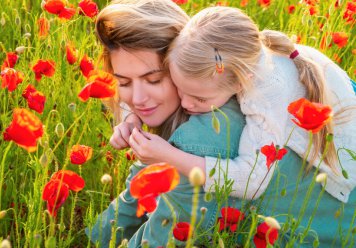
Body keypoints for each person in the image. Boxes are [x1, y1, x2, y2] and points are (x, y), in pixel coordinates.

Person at [127, 6, 356, 247]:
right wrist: (134, 117)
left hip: (344, 190)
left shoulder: (266, 96)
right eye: (179, 90)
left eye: (200, 99)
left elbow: (252, 181)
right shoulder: (241, 57)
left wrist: (170, 156)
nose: (184, 103)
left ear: (240, 81)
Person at [86, 1, 248, 247]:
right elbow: (134, 200)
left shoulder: (198, 142)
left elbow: (162, 239)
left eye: (153, 80)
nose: (138, 99)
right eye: (125, 83)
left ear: (184, 65)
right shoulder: (183, 114)